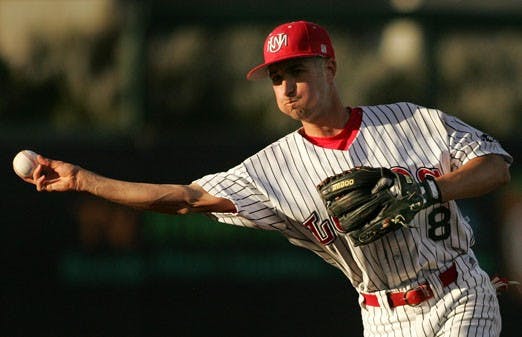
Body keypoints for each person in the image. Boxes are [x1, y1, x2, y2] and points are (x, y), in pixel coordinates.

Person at [21, 20, 512, 337]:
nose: (287, 86)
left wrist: (429, 189)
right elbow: (188, 198)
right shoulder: (273, 169)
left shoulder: (410, 119)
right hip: (383, 315)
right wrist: (85, 180)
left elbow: (496, 165)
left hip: (459, 290)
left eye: (296, 70)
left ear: (330, 67)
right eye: (277, 78)